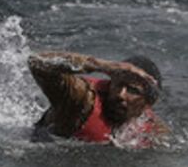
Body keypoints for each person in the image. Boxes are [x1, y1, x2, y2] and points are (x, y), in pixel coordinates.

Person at [28, 50, 169, 147]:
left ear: (147, 103)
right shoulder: (82, 97)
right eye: (118, 84)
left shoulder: (153, 129)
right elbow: (37, 62)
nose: (120, 94)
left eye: (132, 90)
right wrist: (100, 65)